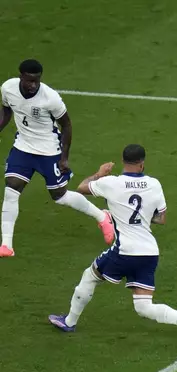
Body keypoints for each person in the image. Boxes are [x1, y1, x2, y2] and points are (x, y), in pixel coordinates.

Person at [48, 144, 177, 346]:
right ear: (142, 163)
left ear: (123, 161)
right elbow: (161, 218)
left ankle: (69, 321)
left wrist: (99, 173)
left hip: (125, 251)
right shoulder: (154, 184)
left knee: (90, 276)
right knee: (144, 307)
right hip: (149, 252)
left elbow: (80, 188)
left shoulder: (111, 183)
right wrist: (142, 218)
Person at [0, 59, 114, 257]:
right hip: (23, 147)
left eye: (37, 81)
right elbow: (7, 110)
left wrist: (64, 157)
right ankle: (6, 245)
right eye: (29, 81)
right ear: (21, 77)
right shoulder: (8, 88)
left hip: (48, 150)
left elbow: (67, 125)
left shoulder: (50, 97)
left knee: (60, 196)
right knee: (12, 188)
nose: (33, 85)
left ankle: (102, 217)